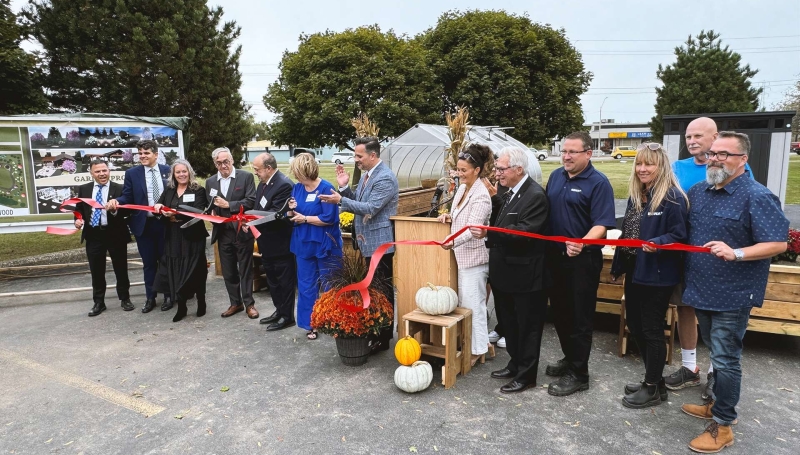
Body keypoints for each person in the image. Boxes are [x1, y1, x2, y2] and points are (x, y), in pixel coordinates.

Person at [680, 131, 788, 453]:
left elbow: (778, 243)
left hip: (734, 294)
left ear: (743, 160)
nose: (714, 159)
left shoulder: (757, 196)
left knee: (726, 360)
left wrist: (737, 252)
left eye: (724, 154)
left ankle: (724, 425)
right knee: (716, 354)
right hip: (701, 289)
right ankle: (715, 404)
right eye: (713, 153)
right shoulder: (699, 191)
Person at [666, 117, 754, 401]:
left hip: (720, 259)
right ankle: (690, 367)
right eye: (688, 136)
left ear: (715, 137)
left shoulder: (737, 168)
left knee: (718, 318)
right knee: (685, 308)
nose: (691, 141)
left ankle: (716, 373)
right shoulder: (678, 167)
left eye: (698, 136)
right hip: (687, 253)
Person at [610, 143, 689, 408]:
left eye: (649, 164)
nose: (643, 169)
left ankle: (653, 386)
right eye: (639, 164)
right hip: (635, 268)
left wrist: (658, 241)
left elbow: (680, 235)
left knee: (651, 329)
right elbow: (629, 233)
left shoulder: (673, 198)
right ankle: (654, 380)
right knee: (635, 323)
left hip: (657, 272)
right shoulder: (637, 194)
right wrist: (618, 265)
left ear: (661, 166)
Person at [470, 147, 549, 394]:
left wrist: (489, 233)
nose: (497, 173)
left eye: (501, 169)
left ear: (518, 169)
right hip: (505, 274)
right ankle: (515, 364)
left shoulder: (535, 195)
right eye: (496, 168)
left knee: (527, 328)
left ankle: (527, 376)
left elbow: (524, 231)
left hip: (525, 276)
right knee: (511, 324)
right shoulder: (508, 192)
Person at [545, 131, 616, 397]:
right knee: (560, 313)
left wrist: (582, 243)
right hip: (555, 259)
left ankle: (579, 373)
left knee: (580, 317)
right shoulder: (555, 177)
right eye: (564, 151)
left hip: (582, 262)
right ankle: (570, 357)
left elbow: (601, 223)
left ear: (588, 153)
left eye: (573, 152)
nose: (566, 156)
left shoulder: (598, 183)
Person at [319, 136, 399, 353]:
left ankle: (383, 338)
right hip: (368, 242)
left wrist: (340, 201)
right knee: (373, 288)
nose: (356, 160)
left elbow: (371, 208)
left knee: (382, 289)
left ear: (373, 155)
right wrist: (345, 188)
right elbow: (359, 202)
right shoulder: (368, 175)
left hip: (379, 245)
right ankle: (377, 329)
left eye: (359, 155)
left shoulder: (385, 178)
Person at [436, 143, 493, 365]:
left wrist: (451, 241)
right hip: (461, 257)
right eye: (457, 170)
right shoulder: (461, 189)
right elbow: (461, 217)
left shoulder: (481, 195)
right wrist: (448, 218)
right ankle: (473, 344)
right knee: (464, 305)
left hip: (474, 259)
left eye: (463, 170)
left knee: (473, 306)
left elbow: (473, 229)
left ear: (477, 170)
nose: (459, 174)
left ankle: (478, 349)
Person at [106, 140, 171, 313]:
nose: (142, 156)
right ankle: (150, 297)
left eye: (146, 153)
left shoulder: (168, 171)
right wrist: (116, 202)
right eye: (140, 153)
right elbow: (127, 196)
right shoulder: (132, 173)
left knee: (165, 261)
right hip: (144, 226)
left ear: (156, 154)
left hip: (165, 225)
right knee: (149, 264)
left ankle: (168, 295)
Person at [286, 153, 342, 340]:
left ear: (305, 171)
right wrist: (291, 209)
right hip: (303, 244)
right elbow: (293, 214)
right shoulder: (297, 188)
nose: (295, 175)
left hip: (325, 243)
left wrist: (305, 218)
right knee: (306, 286)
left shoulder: (326, 188)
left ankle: (334, 321)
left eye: (297, 172)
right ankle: (311, 324)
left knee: (330, 284)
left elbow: (329, 218)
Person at [205, 147, 259, 319]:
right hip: (223, 233)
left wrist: (228, 205)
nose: (223, 166)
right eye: (219, 163)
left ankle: (249, 304)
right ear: (215, 164)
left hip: (242, 231)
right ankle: (235, 303)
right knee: (228, 271)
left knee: (245, 269)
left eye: (226, 161)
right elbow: (209, 206)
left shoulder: (245, 177)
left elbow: (251, 201)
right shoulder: (211, 182)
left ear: (232, 160)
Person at [152, 159, 209, 322]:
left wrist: (175, 214)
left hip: (192, 236)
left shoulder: (198, 190)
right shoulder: (169, 190)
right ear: (173, 175)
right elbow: (159, 206)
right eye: (178, 172)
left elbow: (198, 210)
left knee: (196, 271)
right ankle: (182, 306)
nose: (181, 174)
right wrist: (158, 210)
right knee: (176, 270)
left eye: (184, 171)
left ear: (189, 172)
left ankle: (201, 302)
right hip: (173, 236)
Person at [75, 160, 133, 317]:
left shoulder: (120, 189)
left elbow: (127, 213)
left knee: (120, 268)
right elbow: (79, 210)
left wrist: (115, 211)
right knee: (96, 270)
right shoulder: (84, 189)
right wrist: (78, 219)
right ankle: (99, 302)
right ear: (91, 173)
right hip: (93, 235)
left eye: (104, 170)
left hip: (115, 233)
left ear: (109, 171)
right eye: (98, 171)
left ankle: (125, 298)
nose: (102, 174)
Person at [251, 152, 297, 331]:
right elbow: (258, 208)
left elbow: (275, 215)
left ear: (269, 168)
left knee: (284, 282)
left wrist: (252, 221)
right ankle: (279, 311)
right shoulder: (263, 183)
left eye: (257, 169)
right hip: (266, 243)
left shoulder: (283, 185)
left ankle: (287, 316)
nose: (255, 172)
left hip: (280, 243)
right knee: (272, 281)